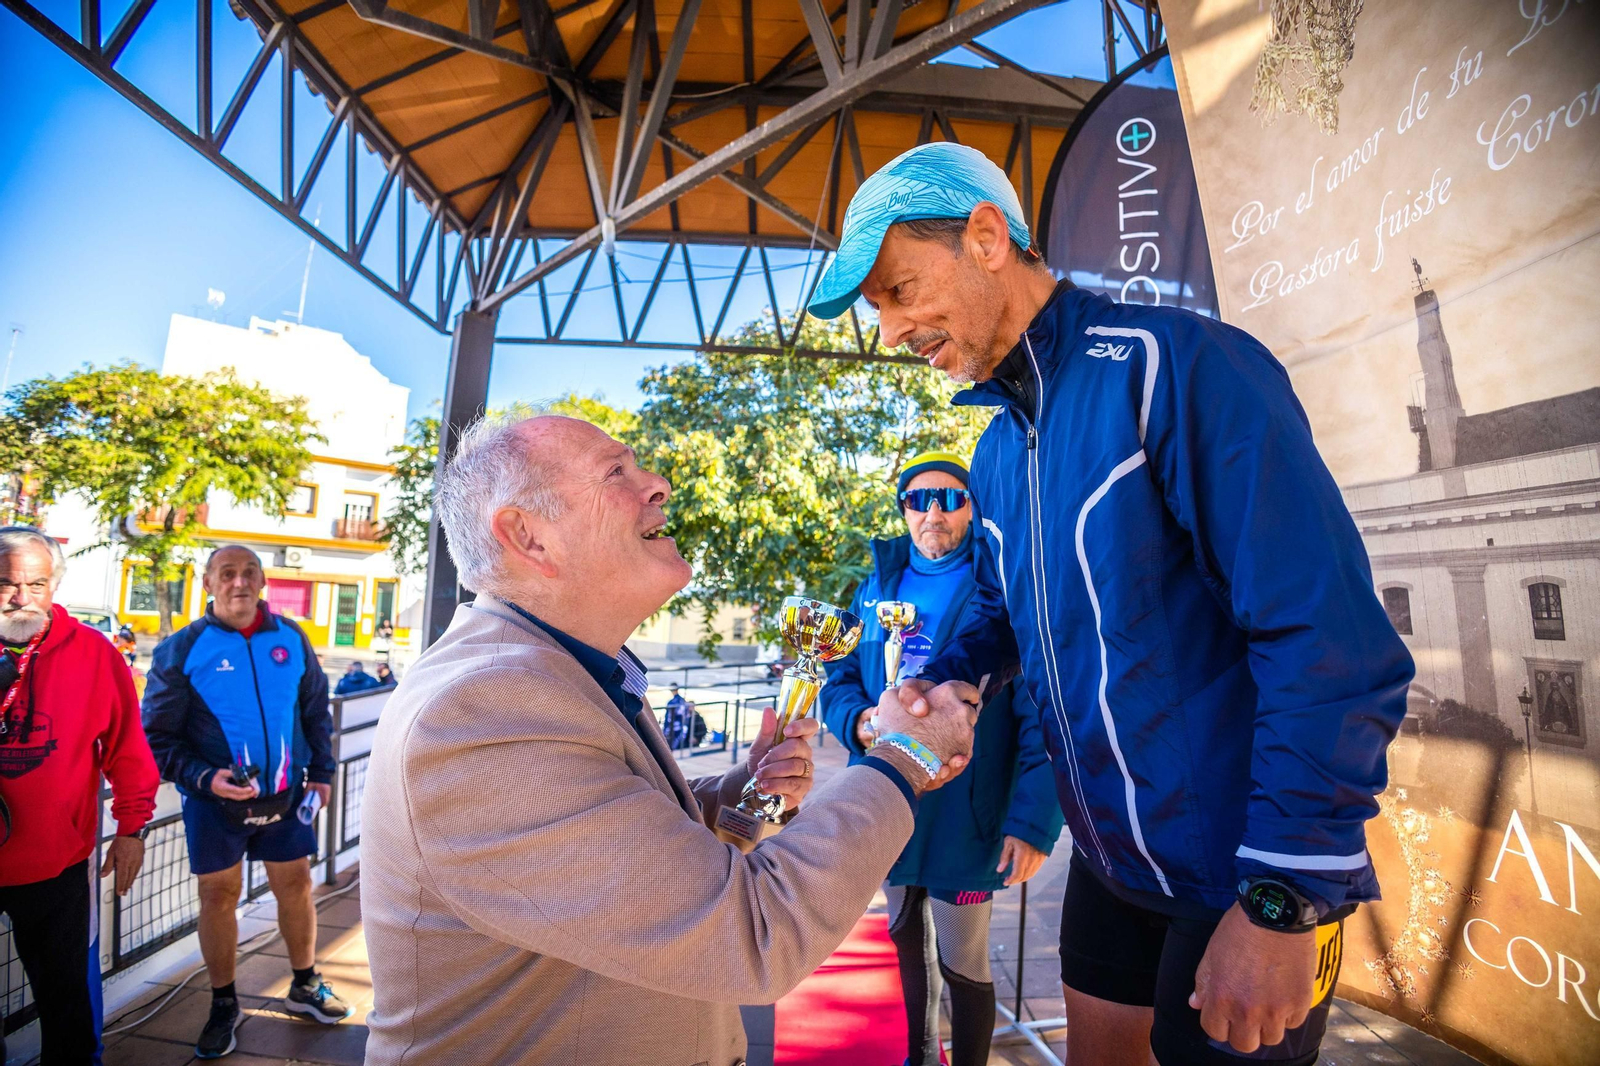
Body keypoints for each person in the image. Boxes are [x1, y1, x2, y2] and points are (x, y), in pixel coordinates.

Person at [809, 142, 1414, 1066]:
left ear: (983, 237)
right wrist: (951, 679)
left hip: (1242, 875)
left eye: (897, 290)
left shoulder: (1180, 365)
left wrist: (1286, 896)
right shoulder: (1000, 453)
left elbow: (1328, 643)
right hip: (1109, 862)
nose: (889, 329)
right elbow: (1005, 615)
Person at [360, 413, 980, 1065]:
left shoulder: (556, 671)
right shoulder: (485, 709)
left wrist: (744, 794)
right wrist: (904, 756)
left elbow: (635, 847)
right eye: (617, 472)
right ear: (527, 536)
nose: (658, 483)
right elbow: (754, 933)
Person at [820, 452, 1063, 1066]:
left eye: (951, 498)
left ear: (973, 509)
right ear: (903, 510)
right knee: (904, 938)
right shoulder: (876, 586)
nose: (935, 511)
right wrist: (860, 719)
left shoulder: (1004, 583)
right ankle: (921, 1056)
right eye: (919, 498)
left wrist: (1032, 822)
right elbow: (839, 674)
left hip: (971, 808)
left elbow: (1043, 709)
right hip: (888, 797)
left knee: (963, 957)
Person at [141, 545, 349, 1059]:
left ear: (262, 582)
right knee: (218, 896)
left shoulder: (291, 637)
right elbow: (158, 737)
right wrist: (206, 778)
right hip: (214, 802)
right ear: (208, 582)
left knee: (297, 884)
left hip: (286, 795)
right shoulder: (183, 648)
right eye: (227, 573)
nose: (239, 582)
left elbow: (314, 709)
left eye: (249, 572)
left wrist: (322, 772)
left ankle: (304, 984)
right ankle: (223, 1002)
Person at [0, 526, 158, 1066]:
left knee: (65, 1007)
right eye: (5, 584)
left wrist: (133, 829)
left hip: (57, 865)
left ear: (55, 585)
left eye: (36, 584)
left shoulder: (92, 653)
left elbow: (129, 751)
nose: (21, 597)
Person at [662, 681, 696, 749]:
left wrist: (665, 730)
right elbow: (687, 716)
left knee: (671, 747)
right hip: (682, 728)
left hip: (673, 729)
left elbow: (668, 718)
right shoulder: (683, 701)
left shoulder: (671, 703)